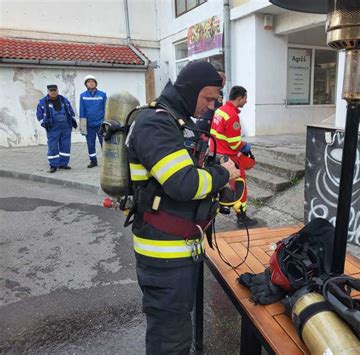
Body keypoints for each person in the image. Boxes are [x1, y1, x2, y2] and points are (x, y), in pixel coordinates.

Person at [126, 61, 240, 354]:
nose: (212, 106)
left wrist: (213, 172)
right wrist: (224, 173)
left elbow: (188, 165)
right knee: (170, 338)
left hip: (178, 249)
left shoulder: (176, 120)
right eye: (209, 98)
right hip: (163, 255)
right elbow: (183, 184)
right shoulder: (156, 122)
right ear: (191, 90)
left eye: (216, 100)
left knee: (177, 327)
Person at [209, 85, 258, 228]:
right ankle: (242, 217)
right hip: (230, 157)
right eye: (246, 98)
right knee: (240, 186)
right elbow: (234, 143)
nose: (247, 101)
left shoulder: (220, 110)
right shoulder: (232, 115)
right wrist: (245, 146)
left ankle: (214, 213)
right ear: (240, 98)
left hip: (216, 154)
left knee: (219, 185)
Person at [36, 84, 77, 173]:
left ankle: (63, 164)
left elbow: (70, 110)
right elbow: (39, 115)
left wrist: (72, 120)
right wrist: (43, 123)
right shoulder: (42, 102)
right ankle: (53, 165)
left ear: (58, 90)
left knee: (65, 145)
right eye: (51, 91)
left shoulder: (64, 100)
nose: (54, 92)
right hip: (52, 128)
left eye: (55, 90)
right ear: (48, 92)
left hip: (66, 127)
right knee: (53, 146)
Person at [79, 75, 107, 168]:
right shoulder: (82, 96)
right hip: (89, 125)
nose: (91, 83)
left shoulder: (102, 95)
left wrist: (105, 123)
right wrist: (83, 126)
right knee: (90, 144)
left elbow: (106, 109)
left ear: (96, 83)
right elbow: (82, 111)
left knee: (104, 143)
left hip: (100, 125)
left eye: (93, 81)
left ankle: (107, 161)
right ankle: (93, 161)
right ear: (86, 84)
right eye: (89, 81)